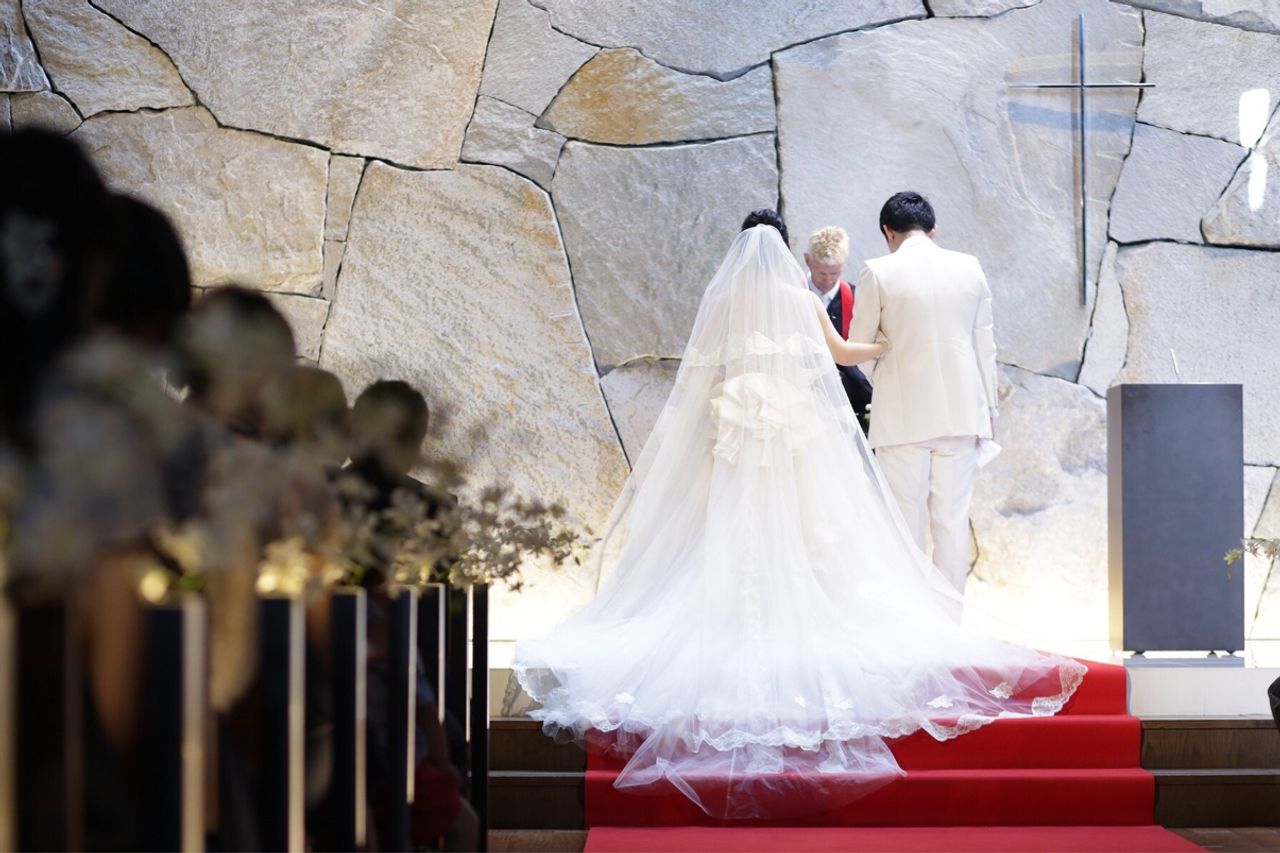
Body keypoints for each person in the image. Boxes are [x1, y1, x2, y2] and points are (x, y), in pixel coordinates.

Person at [513, 221, 1084, 820]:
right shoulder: (802, 300)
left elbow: (701, 372)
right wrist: (891, 345)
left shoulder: (724, 300)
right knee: (807, 527)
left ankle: (725, 616)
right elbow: (841, 355)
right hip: (793, 431)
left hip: (732, 429)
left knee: (724, 525)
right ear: (786, 251)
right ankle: (799, 610)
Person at [849, 191, 999, 602]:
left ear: (888, 231)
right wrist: (989, 410)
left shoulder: (877, 271)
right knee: (952, 523)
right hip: (962, 415)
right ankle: (950, 622)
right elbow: (985, 346)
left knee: (905, 522)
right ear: (933, 230)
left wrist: (890, 376)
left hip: (902, 417)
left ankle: (913, 622)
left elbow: (860, 348)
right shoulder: (969, 268)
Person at [804, 225, 873, 433]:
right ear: (807, 260)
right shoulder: (794, 293)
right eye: (821, 272)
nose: (828, 279)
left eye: (834, 273)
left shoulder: (857, 296)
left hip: (850, 391)